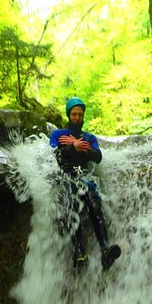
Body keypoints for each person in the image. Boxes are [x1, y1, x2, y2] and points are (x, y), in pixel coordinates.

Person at [49, 97, 121, 270]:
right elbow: (53, 157)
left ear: (83, 116)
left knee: (95, 204)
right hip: (66, 177)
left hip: (85, 177)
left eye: (79, 114)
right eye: (73, 114)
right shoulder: (58, 135)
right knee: (70, 203)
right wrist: (73, 147)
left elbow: (98, 157)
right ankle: (79, 251)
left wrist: (83, 147)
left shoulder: (89, 137)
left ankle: (105, 249)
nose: (76, 117)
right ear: (68, 115)